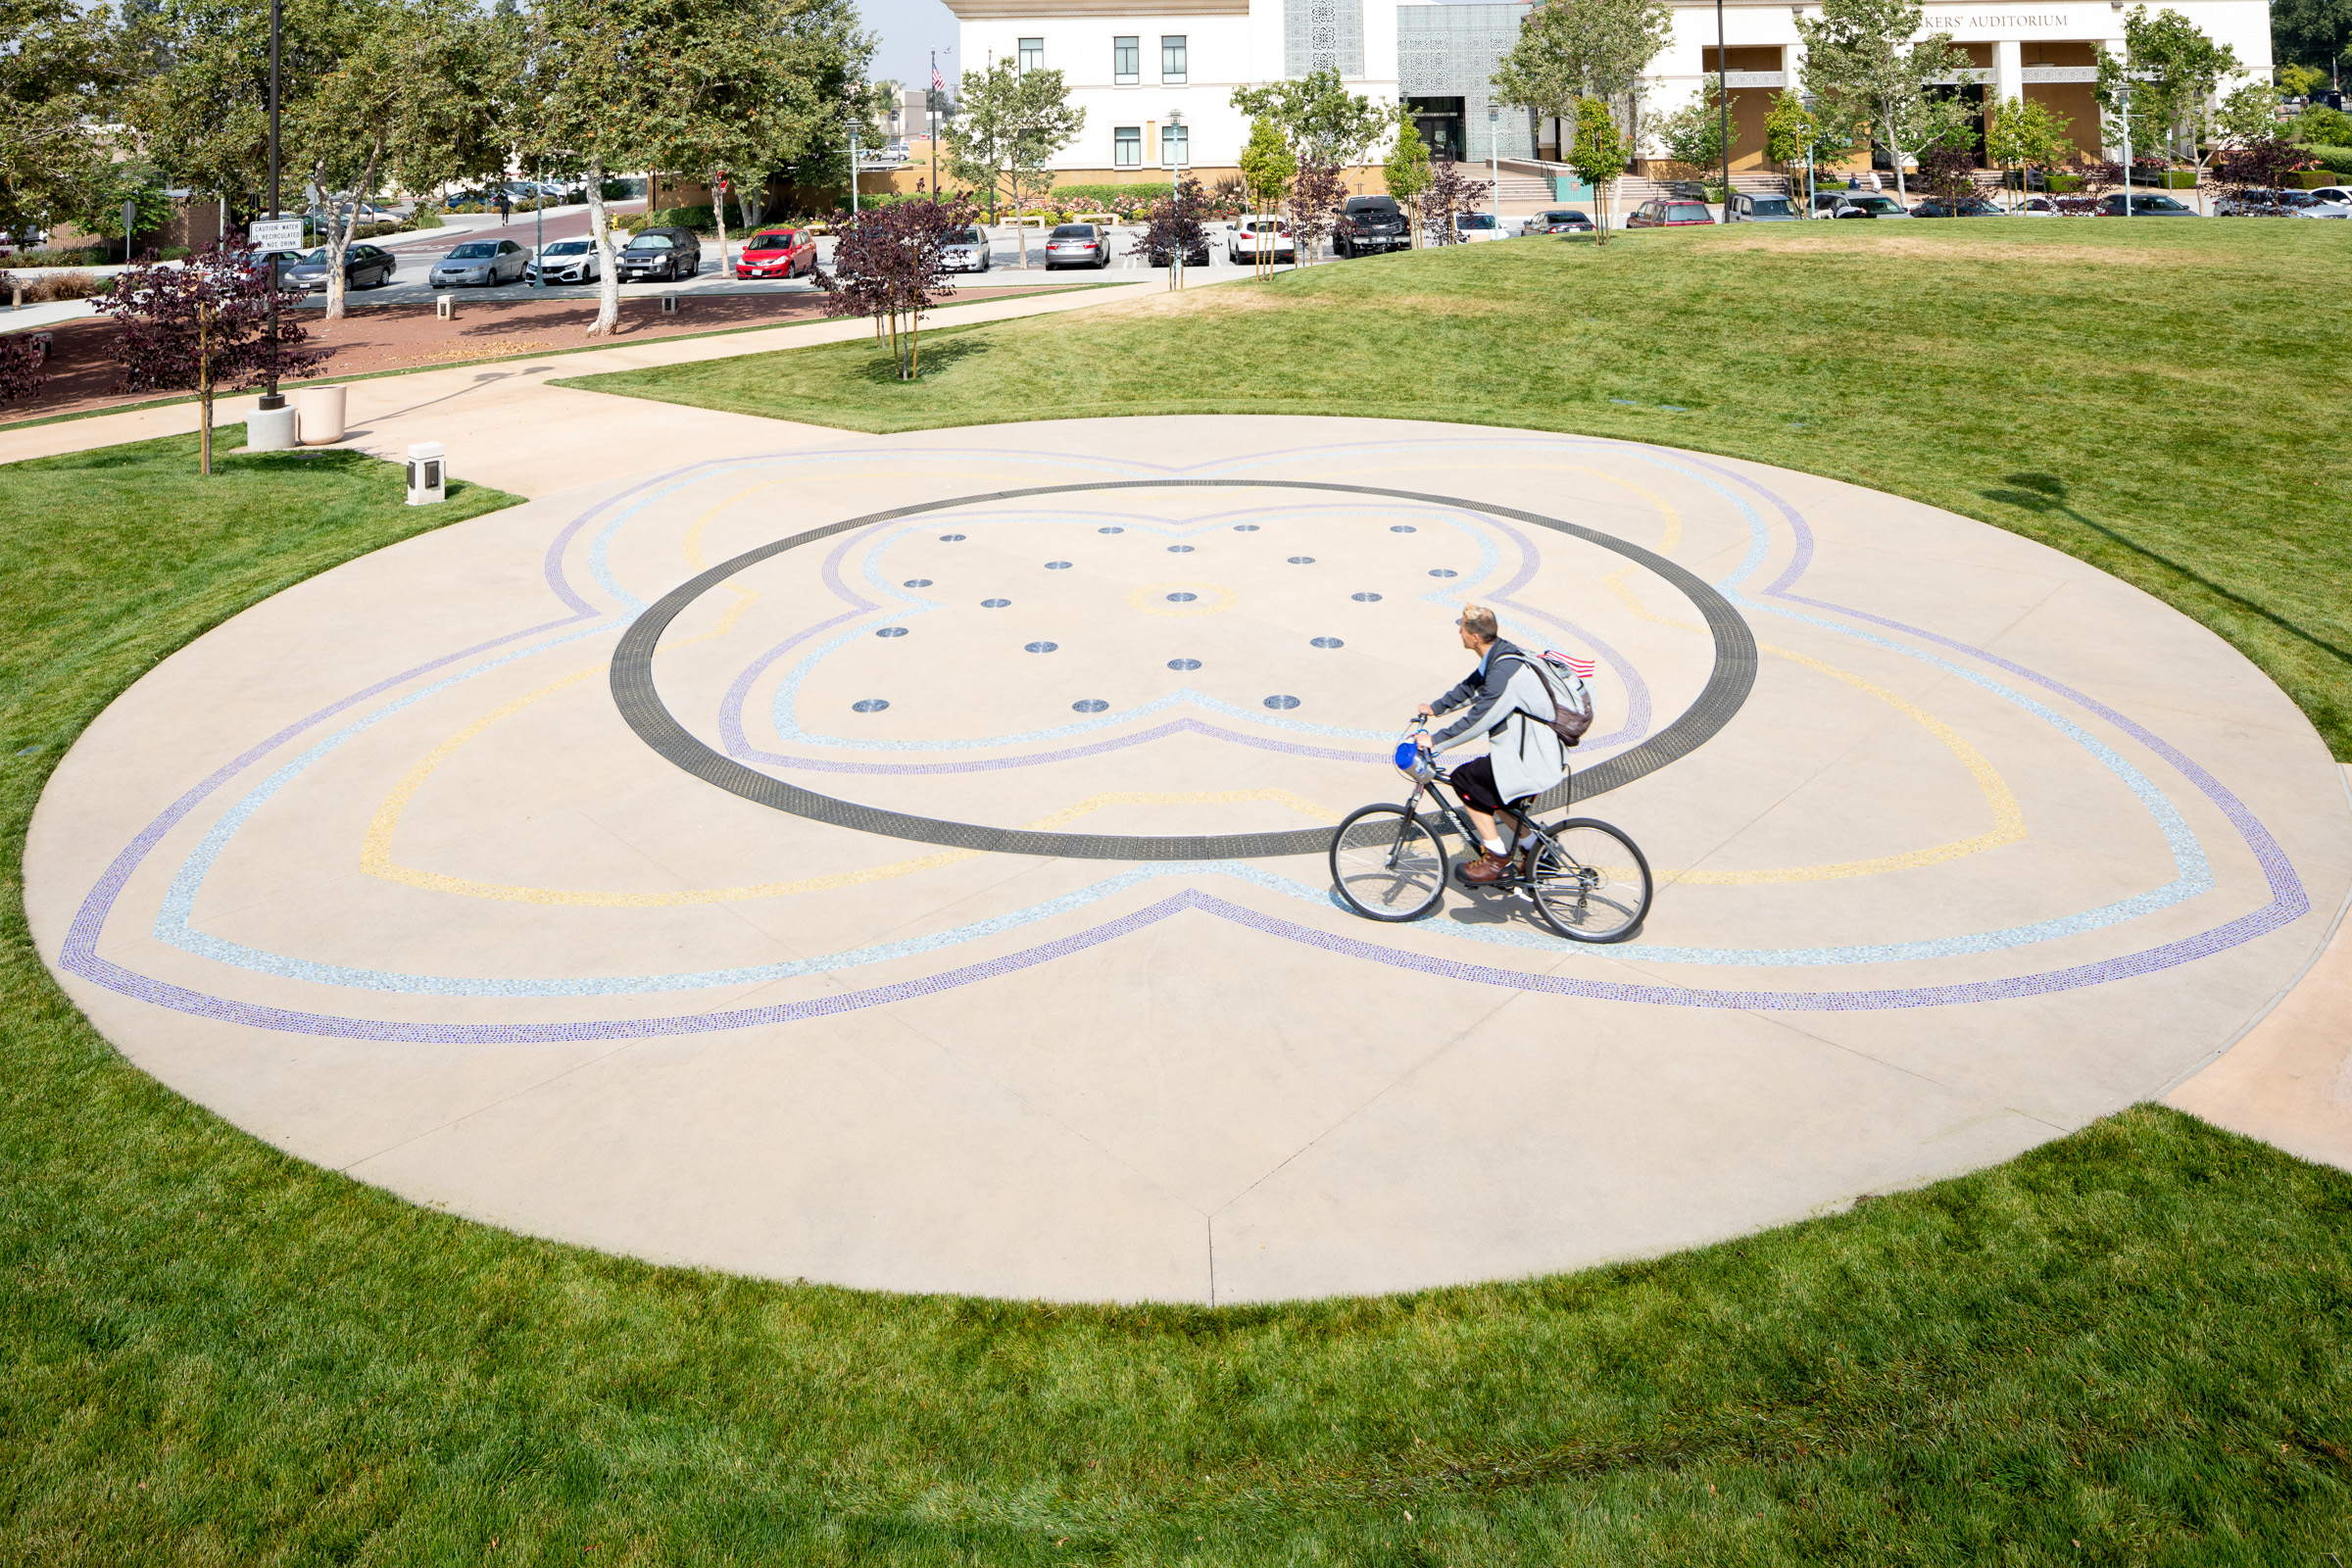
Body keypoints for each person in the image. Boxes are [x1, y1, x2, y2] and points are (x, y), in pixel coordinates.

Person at [1417, 605, 1568, 885]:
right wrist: (1435, 708)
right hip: (1538, 748)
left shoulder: (1502, 673)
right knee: (1493, 795)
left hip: (1533, 756)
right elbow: (1472, 686)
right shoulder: (1501, 652)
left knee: (1465, 779)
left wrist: (1435, 742)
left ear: (1474, 636)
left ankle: (1497, 860)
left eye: (1461, 626)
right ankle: (1537, 852)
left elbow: (1480, 719)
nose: (1458, 631)